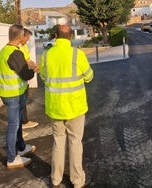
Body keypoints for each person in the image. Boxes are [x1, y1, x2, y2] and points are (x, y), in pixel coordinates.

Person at [39, 25, 93, 188]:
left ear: (56, 36)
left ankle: (55, 178)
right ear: (70, 37)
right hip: (75, 107)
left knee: (58, 141)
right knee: (75, 142)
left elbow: (43, 76)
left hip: (55, 108)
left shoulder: (47, 55)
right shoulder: (78, 54)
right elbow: (89, 76)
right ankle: (77, 180)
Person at [0, 24, 37, 169]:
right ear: (20, 36)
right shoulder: (14, 53)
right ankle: (12, 158)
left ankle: (21, 147)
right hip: (13, 95)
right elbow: (25, 73)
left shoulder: (5, 50)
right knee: (13, 126)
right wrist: (33, 69)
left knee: (18, 122)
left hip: (12, 93)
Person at [19, 28, 39, 130]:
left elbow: (27, 60)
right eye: (27, 37)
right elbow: (23, 63)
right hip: (18, 80)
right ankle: (21, 125)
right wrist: (33, 69)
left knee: (23, 101)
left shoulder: (24, 46)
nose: (28, 40)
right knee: (19, 103)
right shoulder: (17, 48)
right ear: (21, 36)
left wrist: (34, 65)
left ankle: (24, 122)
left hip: (24, 80)